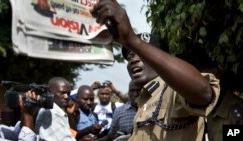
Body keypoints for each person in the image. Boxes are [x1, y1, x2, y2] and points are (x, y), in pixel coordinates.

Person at [92, 1, 220, 141]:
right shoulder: (144, 99)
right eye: (129, 56)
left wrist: (132, 40)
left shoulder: (173, 90)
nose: (133, 60)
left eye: (140, 53)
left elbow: (204, 93)